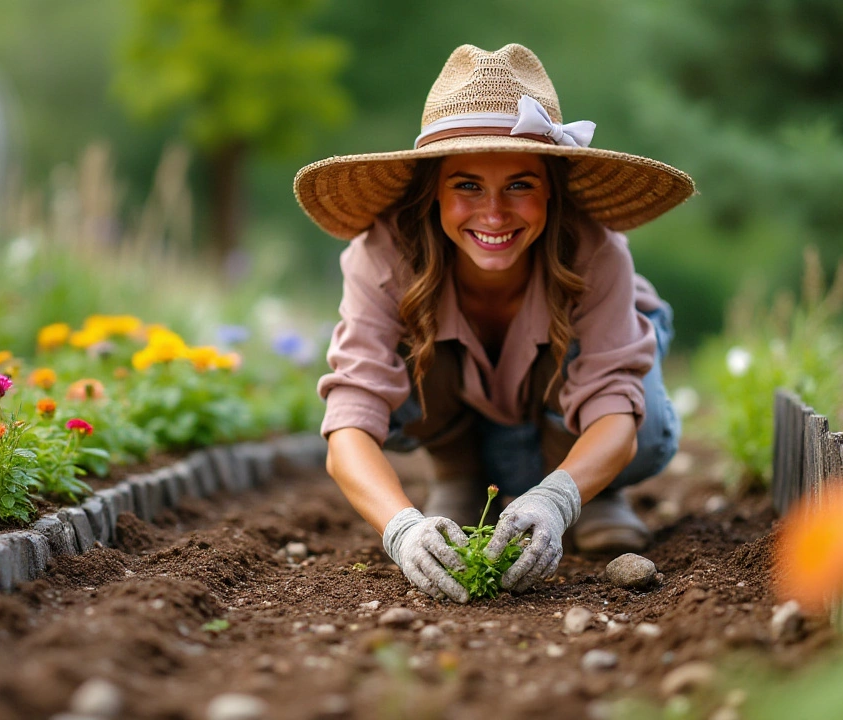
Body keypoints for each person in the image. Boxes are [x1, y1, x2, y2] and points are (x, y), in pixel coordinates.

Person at [293, 44, 694, 603]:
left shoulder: (594, 250)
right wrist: (401, 529)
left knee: (643, 425)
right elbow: (348, 427)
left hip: (568, 410)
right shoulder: (384, 254)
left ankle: (589, 492)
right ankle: (457, 476)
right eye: (467, 185)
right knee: (402, 351)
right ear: (433, 188)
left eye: (520, 185)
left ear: (551, 188)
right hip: (463, 410)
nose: (495, 213)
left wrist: (555, 500)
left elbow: (615, 415)